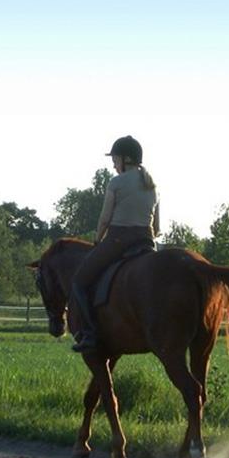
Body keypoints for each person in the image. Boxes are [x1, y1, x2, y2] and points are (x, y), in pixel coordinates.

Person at [70, 135, 160, 353]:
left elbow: (104, 219)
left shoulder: (116, 182)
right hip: (147, 243)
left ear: (126, 159)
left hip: (118, 240)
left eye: (115, 158)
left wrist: (97, 240)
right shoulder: (153, 186)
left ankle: (90, 333)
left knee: (79, 282)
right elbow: (157, 228)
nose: (113, 163)